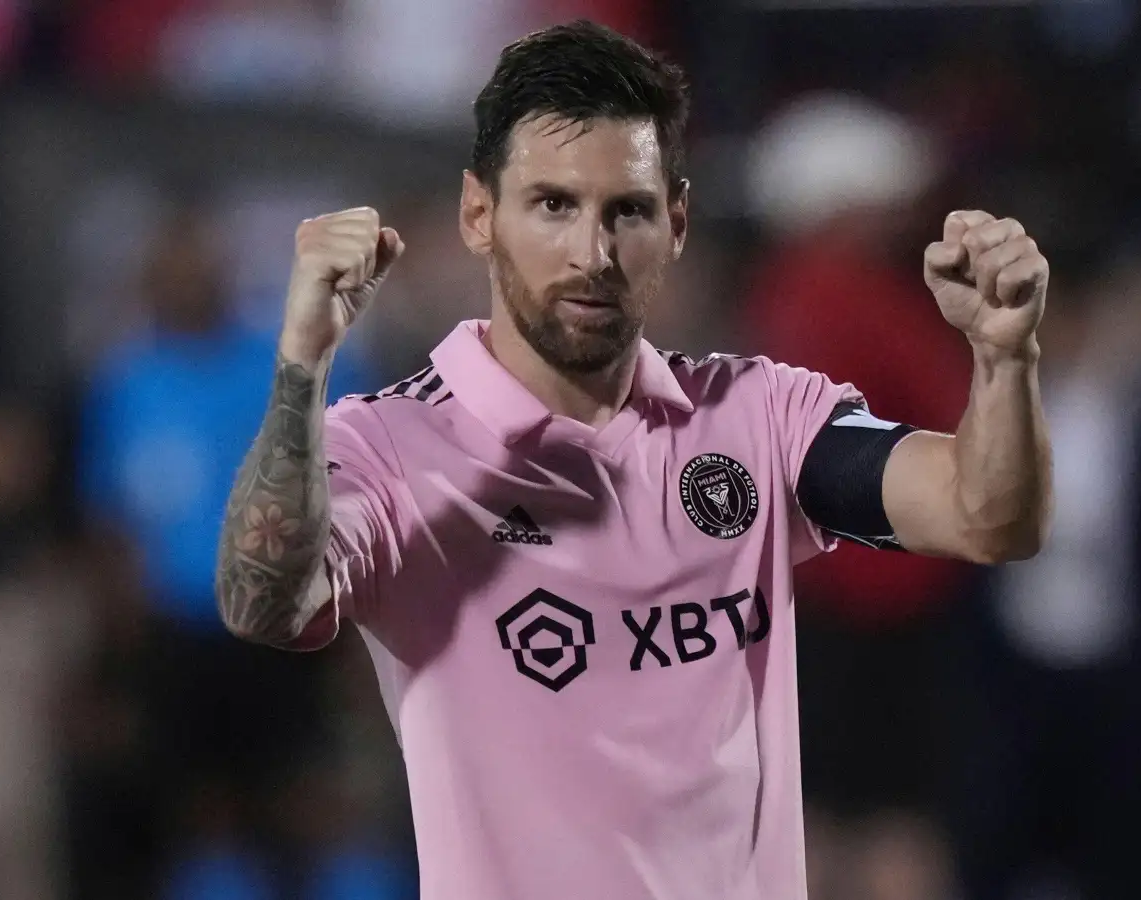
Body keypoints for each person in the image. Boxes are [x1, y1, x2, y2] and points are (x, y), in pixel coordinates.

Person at [212, 20, 1054, 900]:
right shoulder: (389, 447)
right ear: (477, 215)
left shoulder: (758, 415)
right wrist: (303, 363)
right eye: (553, 206)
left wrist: (1004, 356)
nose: (593, 254)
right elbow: (262, 599)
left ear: (677, 221)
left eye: (629, 210)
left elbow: (987, 516)